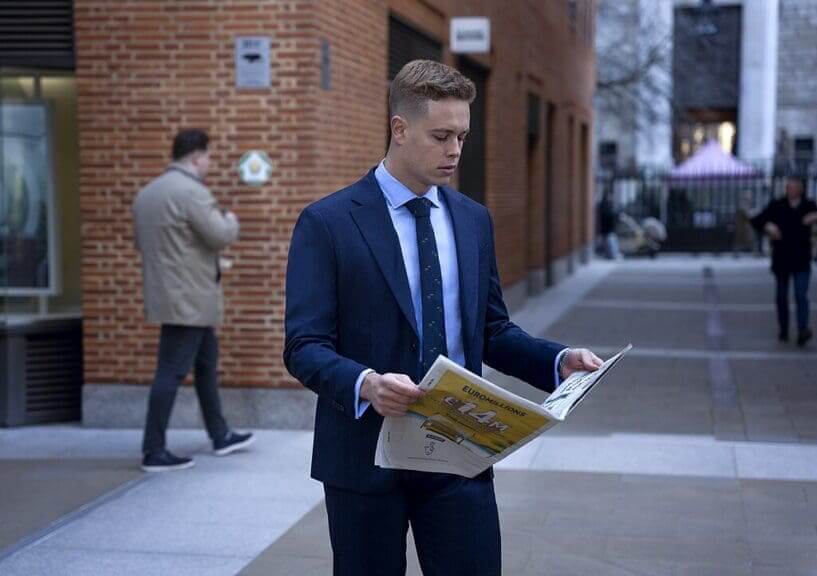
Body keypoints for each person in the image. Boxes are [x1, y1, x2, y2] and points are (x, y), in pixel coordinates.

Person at [284, 60, 603, 576]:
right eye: (441, 136)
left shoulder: (472, 220)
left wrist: (558, 360)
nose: (455, 149)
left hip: (460, 453)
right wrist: (366, 384)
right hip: (364, 459)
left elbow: (492, 329)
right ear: (399, 128)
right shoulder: (327, 223)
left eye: (462, 135)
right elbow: (304, 345)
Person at [133, 129, 253, 472]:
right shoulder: (192, 193)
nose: (210, 164)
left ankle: (220, 434)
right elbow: (220, 235)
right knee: (170, 372)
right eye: (209, 158)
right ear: (197, 156)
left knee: (204, 367)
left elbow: (143, 244)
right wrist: (231, 219)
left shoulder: (147, 194)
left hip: (171, 295)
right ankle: (153, 450)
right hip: (191, 299)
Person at [752, 177, 817, 346]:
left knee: (800, 295)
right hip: (782, 259)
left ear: (800, 190)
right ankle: (784, 329)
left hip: (802, 258)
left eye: (795, 187)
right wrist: (768, 227)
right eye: (789, 187)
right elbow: (757, 220)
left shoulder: (808, 206)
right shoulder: (778, 205)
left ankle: (803, 329)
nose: (791, 190)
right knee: (781, 296)